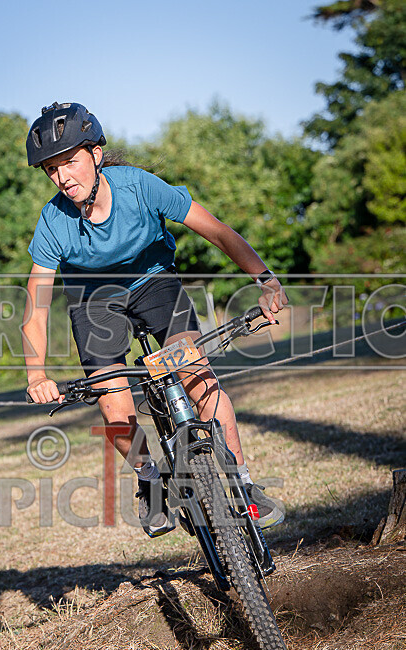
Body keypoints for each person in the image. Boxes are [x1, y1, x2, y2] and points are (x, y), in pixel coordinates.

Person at [22, 101, 288, 536]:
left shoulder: (139, 187)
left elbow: (218, 231)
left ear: (95, 154)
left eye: (69, 162)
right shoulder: (53, 222)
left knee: (195, 374)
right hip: (94, 301)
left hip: (154, 281)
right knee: (115, 407)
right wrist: (37, 375)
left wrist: (266, 279)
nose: (63, 177)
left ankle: (242, 484)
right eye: (51, 170)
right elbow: (35, 307)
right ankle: (148, 477)